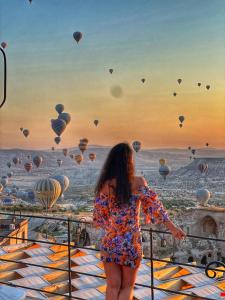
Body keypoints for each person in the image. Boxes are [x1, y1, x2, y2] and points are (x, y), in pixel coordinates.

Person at [93, 143, 186, 300]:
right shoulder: (138, 182)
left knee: (113, 286)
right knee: (127, 286)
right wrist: (172, 227)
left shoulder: (106, 185)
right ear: (129, 161)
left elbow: (99, 216)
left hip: (111, 241)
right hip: (131, 242)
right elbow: (156, 208)